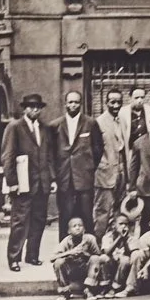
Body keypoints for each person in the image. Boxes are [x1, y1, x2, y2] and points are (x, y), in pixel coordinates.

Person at [0, 92, 52, 270]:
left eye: (38, 107)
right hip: (23, 184)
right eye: (31, 107)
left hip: (42, 184)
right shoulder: (14, 127)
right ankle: (14, 258)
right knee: (20, 221)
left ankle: (32, 255)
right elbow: (7, 157)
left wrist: (50, 178)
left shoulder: (44, 128)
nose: (35, 110)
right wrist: (12, 182)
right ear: (25, 109)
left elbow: (49, 155)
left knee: (39, 221)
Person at [50, 86, 103, 241]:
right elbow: (51, 154)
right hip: (64, 177)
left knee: (86, 214)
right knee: (65, 215)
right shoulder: (55, 125)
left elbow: (98, 148)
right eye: (70, 102)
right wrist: (56, 175)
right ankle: (63, 249)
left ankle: (89, 247)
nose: (73, 105)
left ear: (81, 104)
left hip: (84, 177)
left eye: (76, 102)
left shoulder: (90, 123)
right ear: (65, 104)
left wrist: (89, 166)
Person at [93, 85, 129, 236]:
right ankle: (99, 242)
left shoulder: (123, 121)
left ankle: (115, 243)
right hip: (104, 174)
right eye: (112, 102)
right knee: (103, 211)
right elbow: (94, 150)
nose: (115, 105)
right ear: (106, 103)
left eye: (118, 102)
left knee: (119, 210)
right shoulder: (98, 122)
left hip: (120, 173)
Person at [52, 216, 98, 297]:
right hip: (72, 270)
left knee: (95, 258)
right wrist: (70, 252)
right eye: (74, 226)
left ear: (84, 229)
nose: (78, 228)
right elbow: (52, 258)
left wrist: (85, 254)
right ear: (69, 231)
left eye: (80, 226)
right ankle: (64, 291)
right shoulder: (66, 241)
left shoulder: (90, 239)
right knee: (58, 262)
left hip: (85, 270)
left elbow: (98, 254)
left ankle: (89, 290)